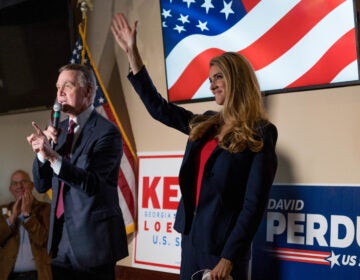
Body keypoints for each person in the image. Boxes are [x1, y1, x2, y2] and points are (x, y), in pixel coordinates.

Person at [111, 13, 278, 280]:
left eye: (218, 77)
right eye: (210, 79)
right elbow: (159, 109)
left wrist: (228, 257)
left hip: (224, 251)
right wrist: (133, 54)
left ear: (236, 79)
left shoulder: (261, 133)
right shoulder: (206, 123)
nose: (212, 84)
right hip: (191, 241)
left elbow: (253, 205)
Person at [26, 64, 128, 280]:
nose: (59, 93)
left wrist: (53, 156)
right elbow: (41, 185)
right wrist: (41, 154)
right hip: (61, 239)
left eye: (68, 86)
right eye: (57, 87)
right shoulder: (59, 131)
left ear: (88, 91)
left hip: (93, 241)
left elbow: (92, 184)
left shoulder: (106, 133)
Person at [0, 169, 52, 280]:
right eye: (15, 183)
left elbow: (44, 240)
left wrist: (27, 215)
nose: (19, 186)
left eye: (23, 181)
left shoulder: (46, 209)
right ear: (11, 189)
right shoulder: (2, 210)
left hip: (37, 275)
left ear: (32, 185)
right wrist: (12, 217)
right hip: (8, 275)